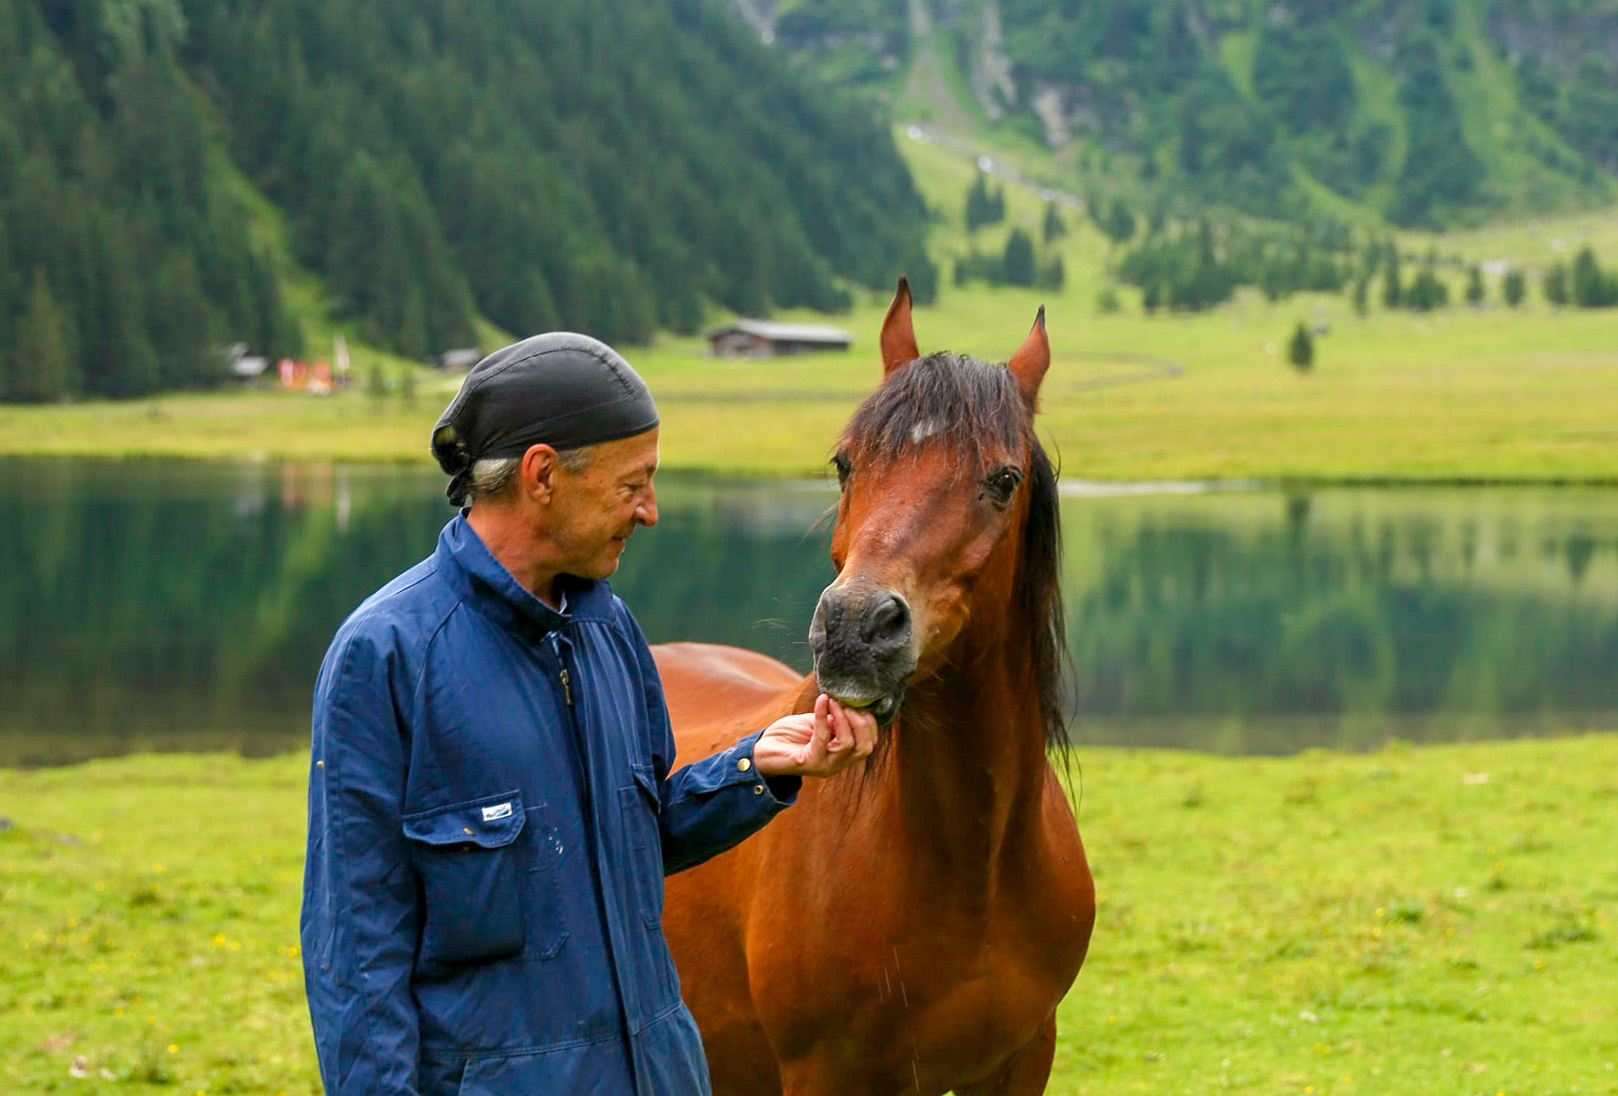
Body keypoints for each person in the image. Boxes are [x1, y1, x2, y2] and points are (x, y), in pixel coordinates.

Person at [300, 332, 876, 1096]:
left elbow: (637, 840)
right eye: (631, 483)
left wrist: (758, 765)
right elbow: (355, 949)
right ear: (543, 476)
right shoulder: (388, 655)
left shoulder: (608, 629)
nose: (651, 511)